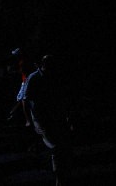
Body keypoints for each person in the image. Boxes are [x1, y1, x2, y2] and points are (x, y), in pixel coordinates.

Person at [23, 55, 73, 186]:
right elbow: (25, 100)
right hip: (40, 117)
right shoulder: (34, 78)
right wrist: (30, 120)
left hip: (54, 115)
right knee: (55, 146)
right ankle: (59, 179)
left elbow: (62, 98)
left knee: (62, 146)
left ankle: (60, 174)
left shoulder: (54, 77)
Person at [8, 48, 33, 127]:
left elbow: (23, 72)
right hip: (25, 81)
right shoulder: (23, 61)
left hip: (26, 81)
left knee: (22, 99)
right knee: (20, 99)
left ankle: (26, 119)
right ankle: (13, 115)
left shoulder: (23, 62)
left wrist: (14, 72)